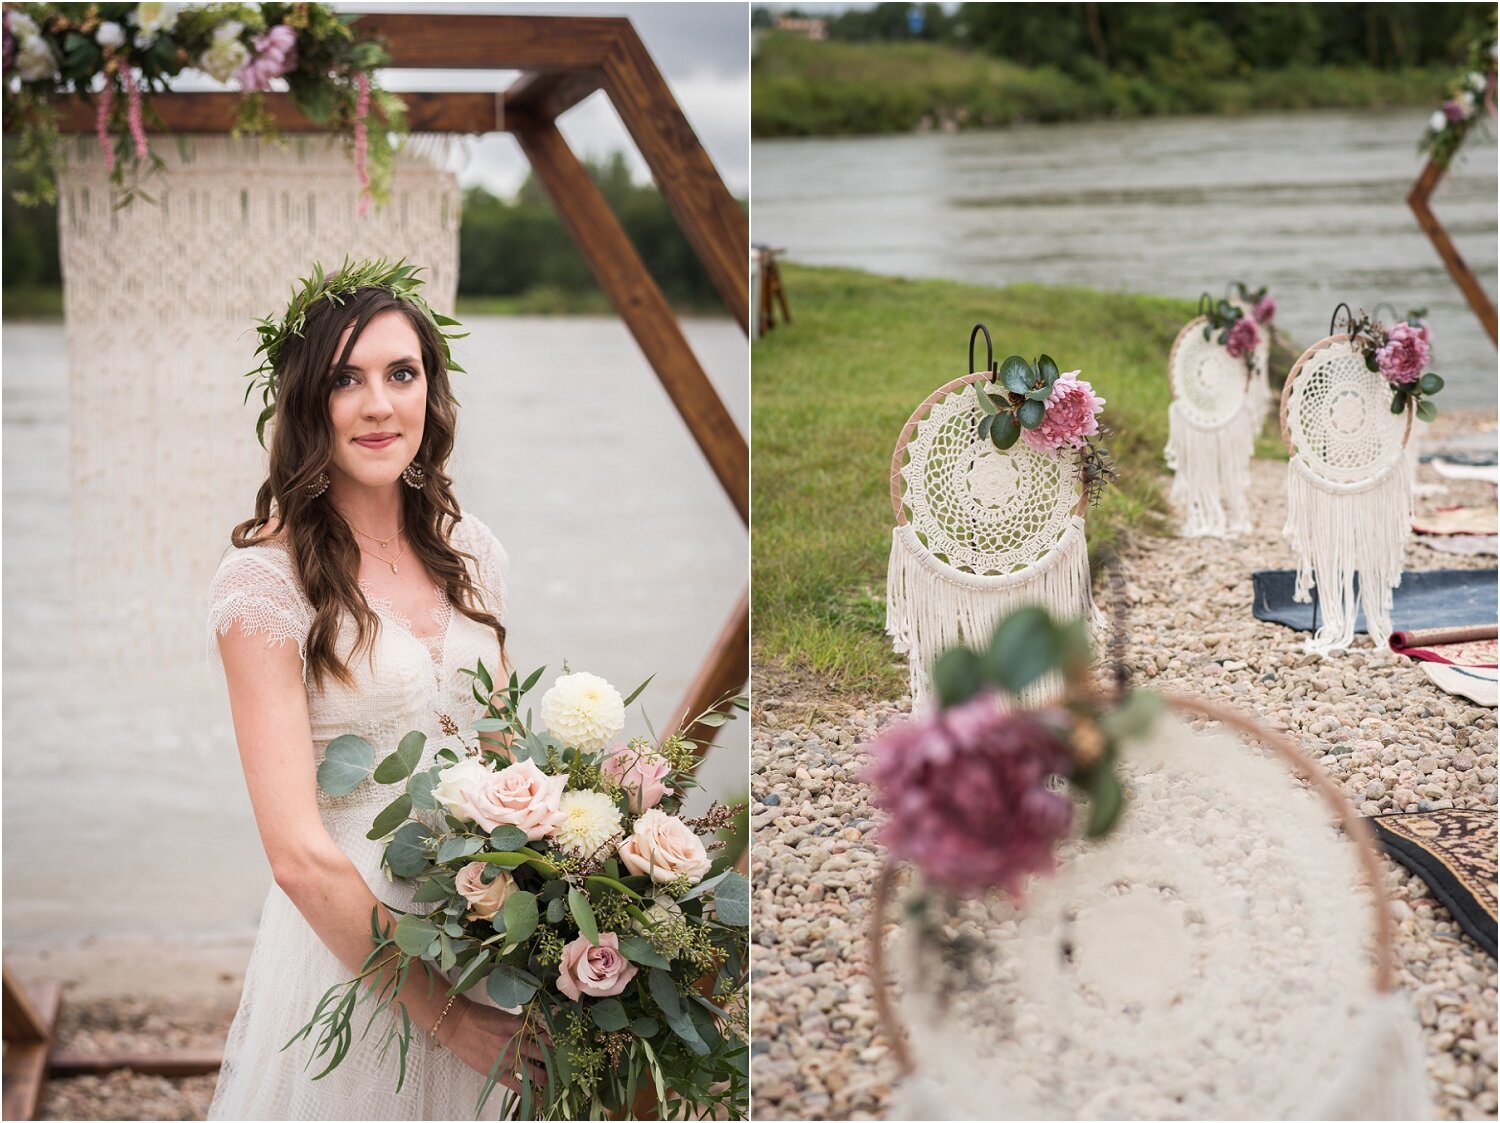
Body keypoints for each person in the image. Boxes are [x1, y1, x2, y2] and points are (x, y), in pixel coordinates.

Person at [206, 260, 540, 1119]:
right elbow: (294, 852)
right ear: (308, 403)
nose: (380, 404)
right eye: (346, 380)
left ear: (432, 389)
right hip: (353, 953)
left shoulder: (473, 552)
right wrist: (447, 1014)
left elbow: (506, 757)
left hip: (482, 927)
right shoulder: (264, 584)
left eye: (402, 373)